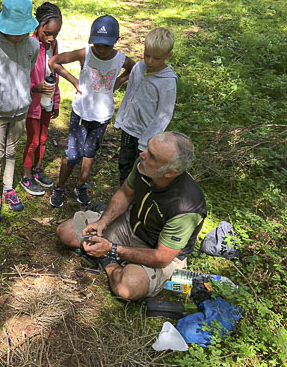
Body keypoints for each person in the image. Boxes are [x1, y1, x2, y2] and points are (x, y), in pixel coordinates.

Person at [55, 132, 206, 300]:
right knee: (65, 232)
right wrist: (102, 222)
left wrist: (112, 249)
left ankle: (108, 261)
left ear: (170, 172)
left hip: (156, 250)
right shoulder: (145, 165)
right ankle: (115, 259)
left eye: (152, 156)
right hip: (130, 226)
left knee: (126, 289)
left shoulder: (186, 207)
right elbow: (125, 194)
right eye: (147, 148)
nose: (142, 155)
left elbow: (162, 257)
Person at [48, 15, 135, 207]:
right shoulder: (86, 53)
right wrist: (74, 81)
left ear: (116, 42)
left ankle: (81, 186)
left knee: (89, 153)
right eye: (98, 45)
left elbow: (134, 69)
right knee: (73, 155)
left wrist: (118, 81)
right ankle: (60, 187)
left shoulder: (120, 59)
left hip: (102, 116)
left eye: (106, 45)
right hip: (81, 113)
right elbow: (54, 61)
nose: (102, 50)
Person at [0, 0, 40, 221]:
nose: (17, 34)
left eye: (21, 29)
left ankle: (8, 188)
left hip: (20, 110)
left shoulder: (32, 45)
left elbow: (28, 70)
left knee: (11, 151)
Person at [114, 27, 177, 185]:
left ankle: (137, 204)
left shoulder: (167, 82)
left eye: (156, 58)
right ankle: (123, 199)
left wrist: (147, 141)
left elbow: (163, 115)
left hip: (147, 137)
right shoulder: (138, 68)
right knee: (125, 165)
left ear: (168, 56)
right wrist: (120, 119)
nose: (149, 61)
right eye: (147, 55)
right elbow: (129, 95)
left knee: (142, 173)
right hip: (129, 129)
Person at [20, 2, 63, 196]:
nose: (51, 37)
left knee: (43, 138)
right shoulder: (28, 45)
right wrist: (35, 88)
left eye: (55, 33)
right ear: (37, 26)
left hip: (47, 100)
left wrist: (56, 99)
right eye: (47, 33)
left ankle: (37, 169)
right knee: (33, 140)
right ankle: (26, 175)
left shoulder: (53, 44)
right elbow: (20, 77)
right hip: (32, 102)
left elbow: (56, 72)